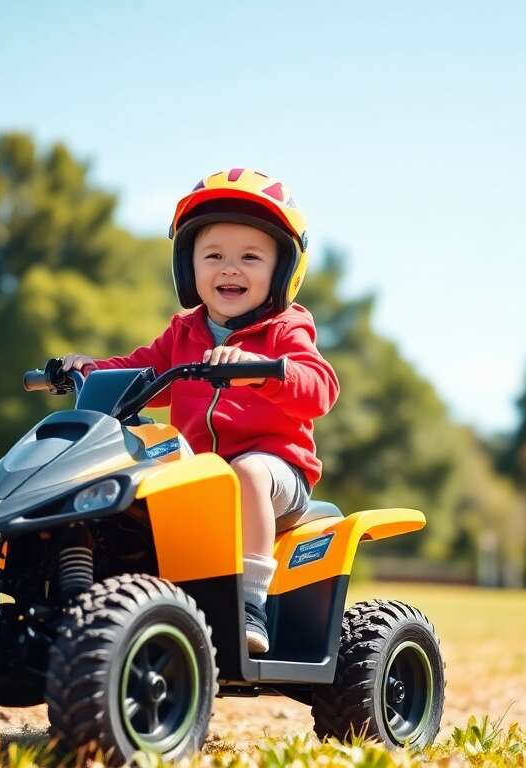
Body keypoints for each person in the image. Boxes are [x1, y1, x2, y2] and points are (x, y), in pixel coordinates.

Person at [60, 168, 338, 653]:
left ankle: (250, 604)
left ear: (283, 270)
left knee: (248, 472)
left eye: (250, 257)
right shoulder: (183, 333)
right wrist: (89, 368)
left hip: (278, 478)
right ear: (189, 269)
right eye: (213, 256)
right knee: (125, 480)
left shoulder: (286, 329)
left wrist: (263, 369)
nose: (229, 269)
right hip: (197, 478)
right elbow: (137, 371)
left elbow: (321, 387)